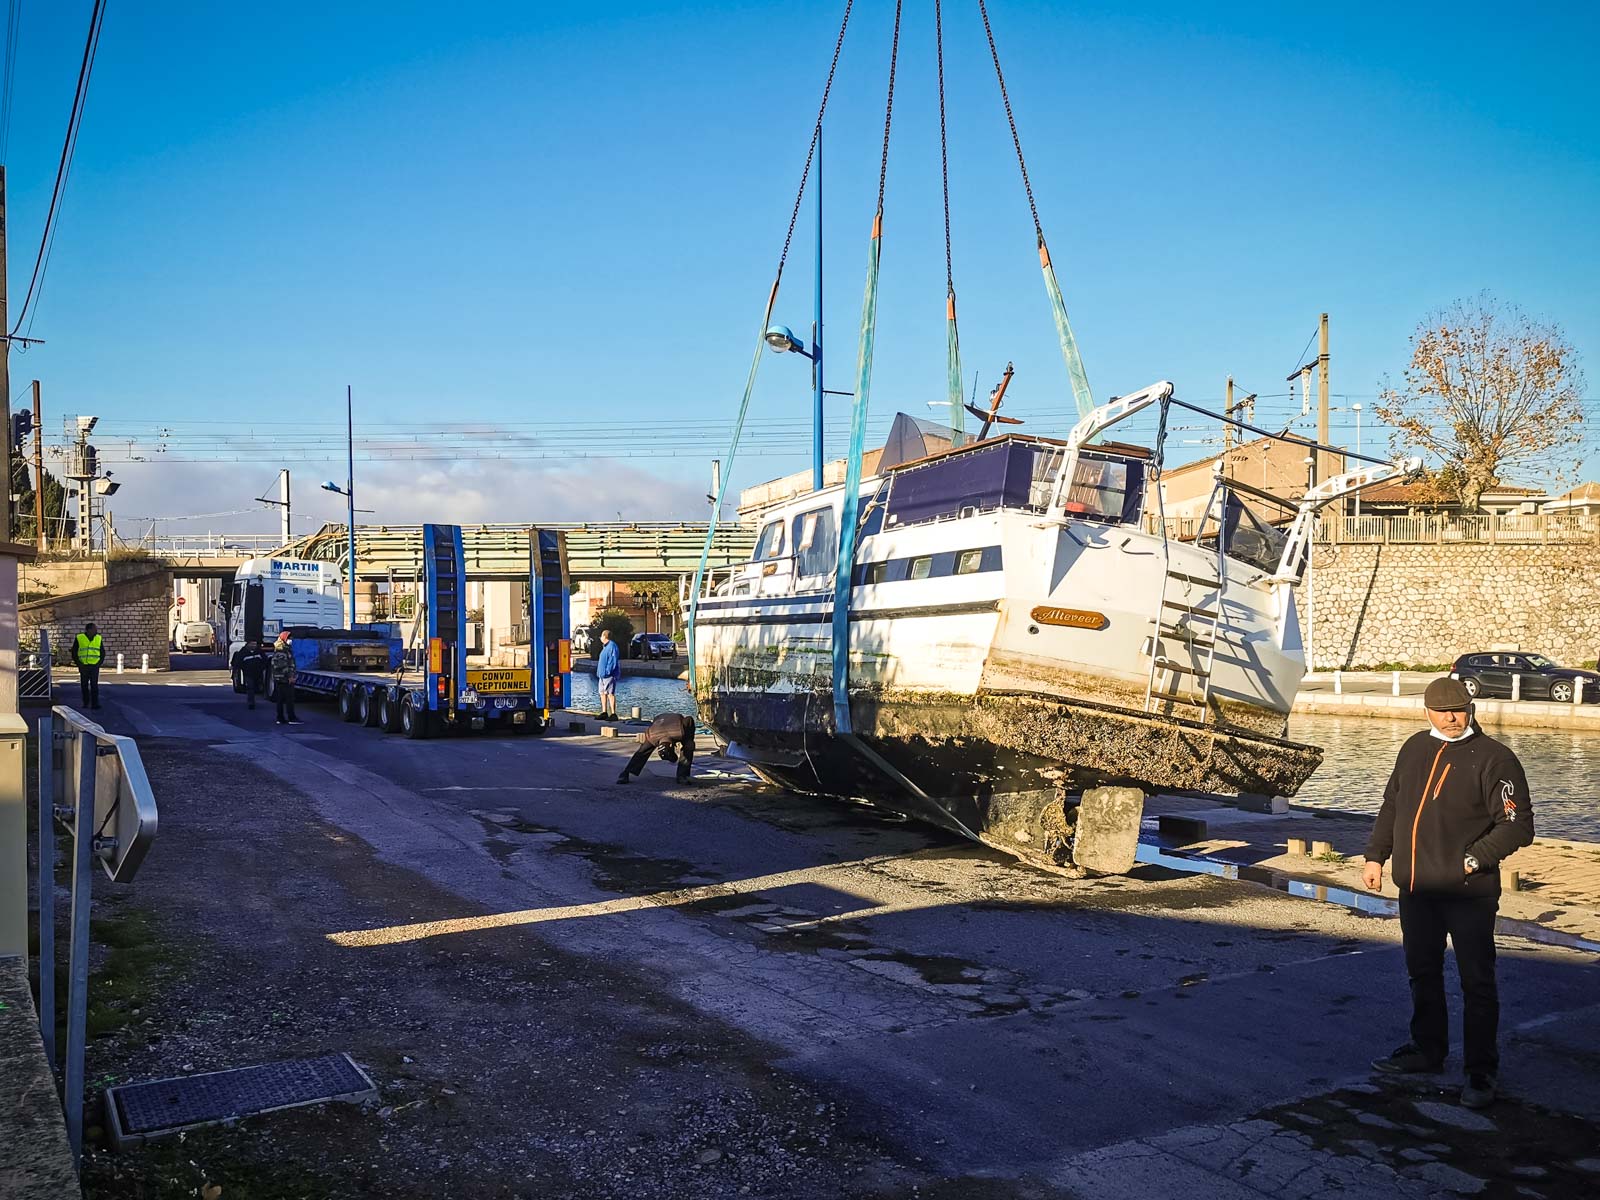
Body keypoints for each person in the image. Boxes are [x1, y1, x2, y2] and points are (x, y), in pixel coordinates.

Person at [1362, 676, 1534, 1110]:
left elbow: (1517, 824)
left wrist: (1474, 859)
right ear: (1427, 712)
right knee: (1422, 971)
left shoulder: (1495, 758)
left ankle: (1480, 1071)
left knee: (1477, 981)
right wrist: (1375, 856)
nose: (1451, 718)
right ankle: (1427, 1049)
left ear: (1470, 710)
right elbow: (1392, 806)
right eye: (1442, 711)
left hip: (1468, 892)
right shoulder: (1412, 749)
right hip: (1417, 888)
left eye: (1458, 710)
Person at [617, 713, 695, 785]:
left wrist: (689, 739)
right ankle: (682, 776)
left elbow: (689, 720)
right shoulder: (651, 737)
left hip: (670, 724)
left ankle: (624, 774)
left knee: (689, 745)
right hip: (659, 723)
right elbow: (640, 753)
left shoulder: (680, 732)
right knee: (689, 745)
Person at [71, 621, 104, 710]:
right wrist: (79, 663)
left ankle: (95, 704)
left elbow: (102, 652)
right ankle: (86, 702)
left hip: (94, 666)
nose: (96, 631)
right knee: (84, 685)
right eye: (94, 629)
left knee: (94, 685)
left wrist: (99, 663)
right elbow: (74, 652)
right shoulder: (80, 638)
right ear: (89, 630)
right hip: (83, 665)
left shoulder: (98, 638)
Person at [270, 632, 301, 725]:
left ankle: (281, 718)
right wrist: (290, 676)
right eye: (289, 638)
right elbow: (282, 665)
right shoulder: (281, 650)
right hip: (283, 679)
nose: (290, 640)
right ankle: (290, 718)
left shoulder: (285, 649)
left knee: (282, 699)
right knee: (288, 699)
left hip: (282, 678)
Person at [231, 639, 269, 710]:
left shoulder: (259, 651)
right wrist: (240, 670)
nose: (254, 646)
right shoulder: (243, 652)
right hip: (248, 673)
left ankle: (257, 697)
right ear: (248, 644)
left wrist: (262, 668)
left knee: (257, 687)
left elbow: (265, 661)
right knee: (250, 688)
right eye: (252, 644)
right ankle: (251, 703)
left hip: (258, 673)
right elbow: (237, 663)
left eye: (255, 644)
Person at [595, 628, 621, 720]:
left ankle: (613, 713)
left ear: (604, 636)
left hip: (609, 675)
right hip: (602, 675)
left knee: (610, 693)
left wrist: (608, 671)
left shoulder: (612, 647)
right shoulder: (605, 647)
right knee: (602, 693)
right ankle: (604, 712)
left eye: (601, 636)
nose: (600, 638)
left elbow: (613, 661)